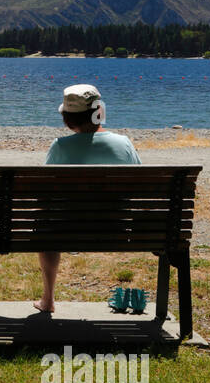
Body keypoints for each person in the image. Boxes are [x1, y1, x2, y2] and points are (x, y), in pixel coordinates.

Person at [35, 83, 140, 314]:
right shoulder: (124, 144)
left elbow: (45, 192)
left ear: (67, 119)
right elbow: (138, 188)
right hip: (118, 229)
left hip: (67, 230)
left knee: (47, 228)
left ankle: (48, 299)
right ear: (99, 111)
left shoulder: (60, 147)